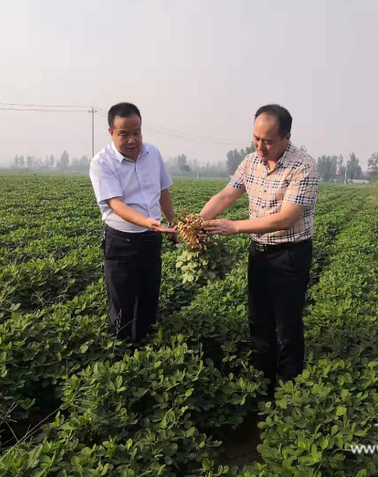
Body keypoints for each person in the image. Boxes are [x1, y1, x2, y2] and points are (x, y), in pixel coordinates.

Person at [199, 104, 319, 393]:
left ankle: (288, 391)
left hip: (290, 254)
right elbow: (227, 194)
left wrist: (235, 227)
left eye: (267, 141)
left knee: (287, 326)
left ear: (287, 137)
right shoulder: (250, 162)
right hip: (259, 253)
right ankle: (262, 385)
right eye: (256, 138)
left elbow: (286, 218)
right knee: (258, 320)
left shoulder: (304, 166)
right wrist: (197, 223)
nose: (260, 146)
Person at [89, 102, 177, 342]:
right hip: (122, 241)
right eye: (124, 134)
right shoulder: (101, 163)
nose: (132, 140)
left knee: (149, 299)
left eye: (136, 132)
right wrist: (148, 221)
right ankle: (122, 355)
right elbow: (116, 204)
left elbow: (163, 191)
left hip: (151, 238)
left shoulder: (153, 154)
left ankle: (145, 352)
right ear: (111, 133)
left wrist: (171, 222)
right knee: (122, 305)